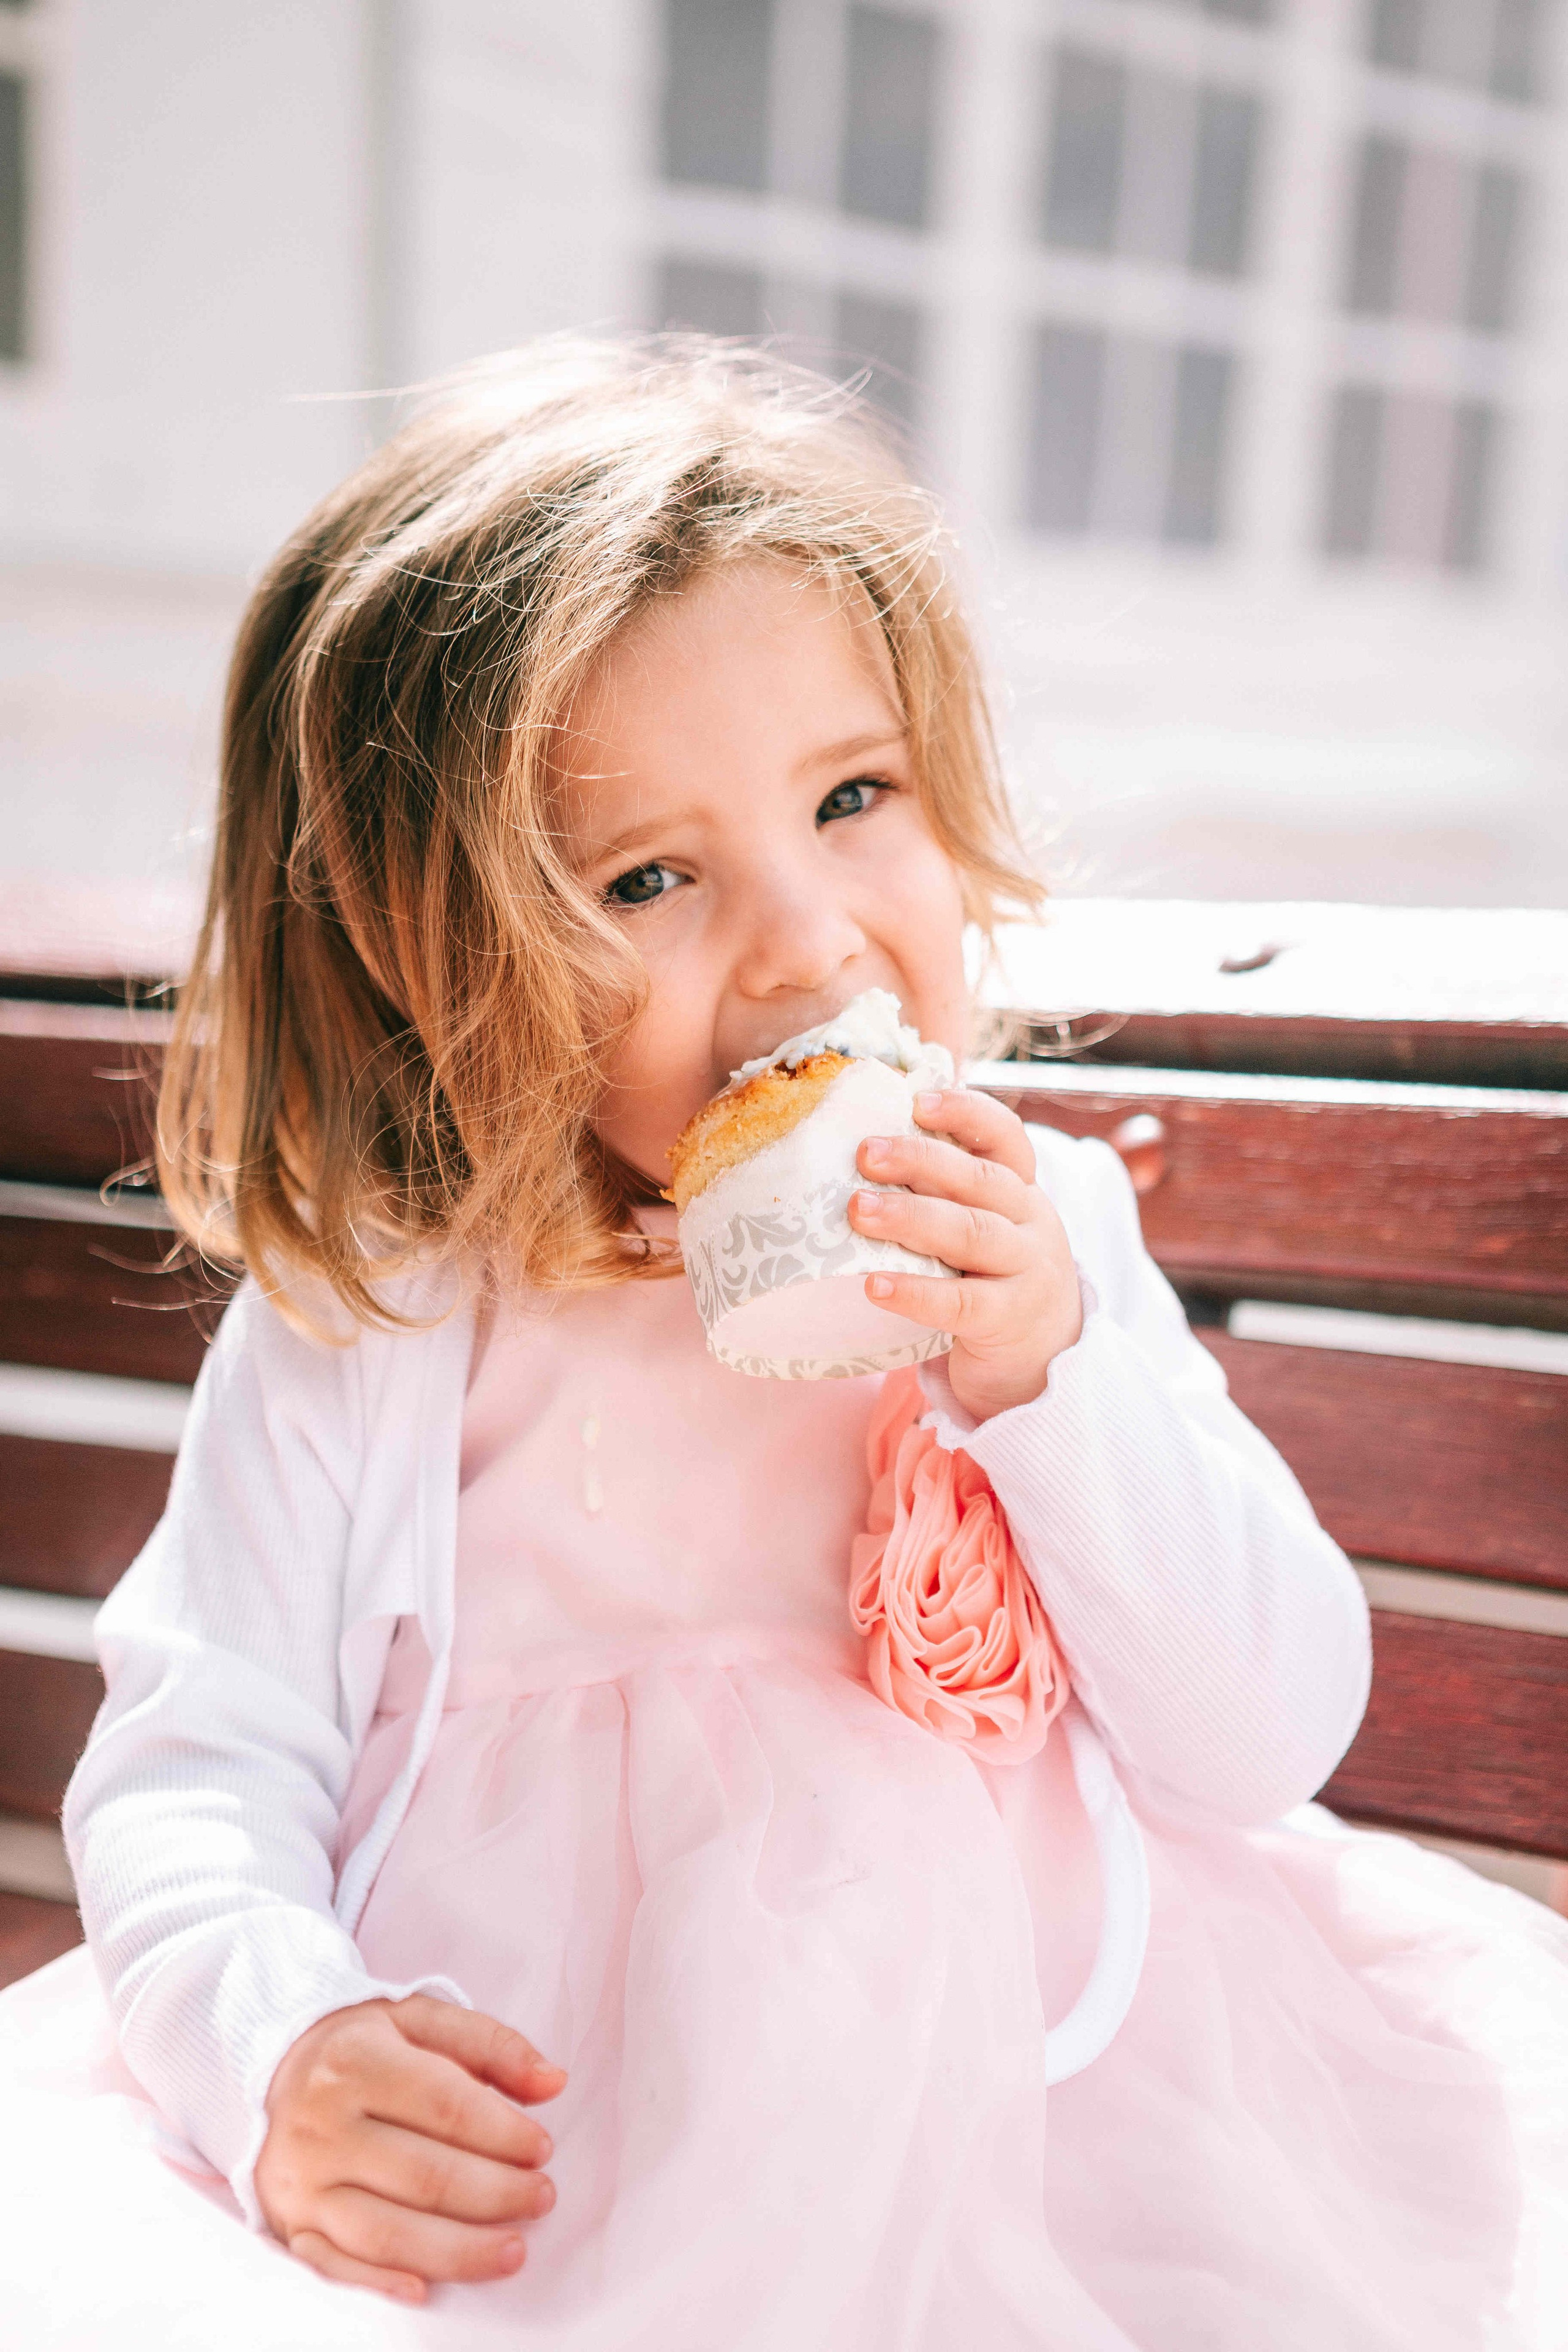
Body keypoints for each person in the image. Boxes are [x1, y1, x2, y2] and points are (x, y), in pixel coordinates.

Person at [2, 337, 1565, 2352]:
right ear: (423, 957)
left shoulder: (1042, 1243)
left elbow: (1263, 1734)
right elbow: (198, 1761)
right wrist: (277, 2046)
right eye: (647, 877)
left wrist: (1050, 1378)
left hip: (1051, 2107)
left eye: (854, 797)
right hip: (557, 2175)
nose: (809, 939)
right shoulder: (385, 1322)